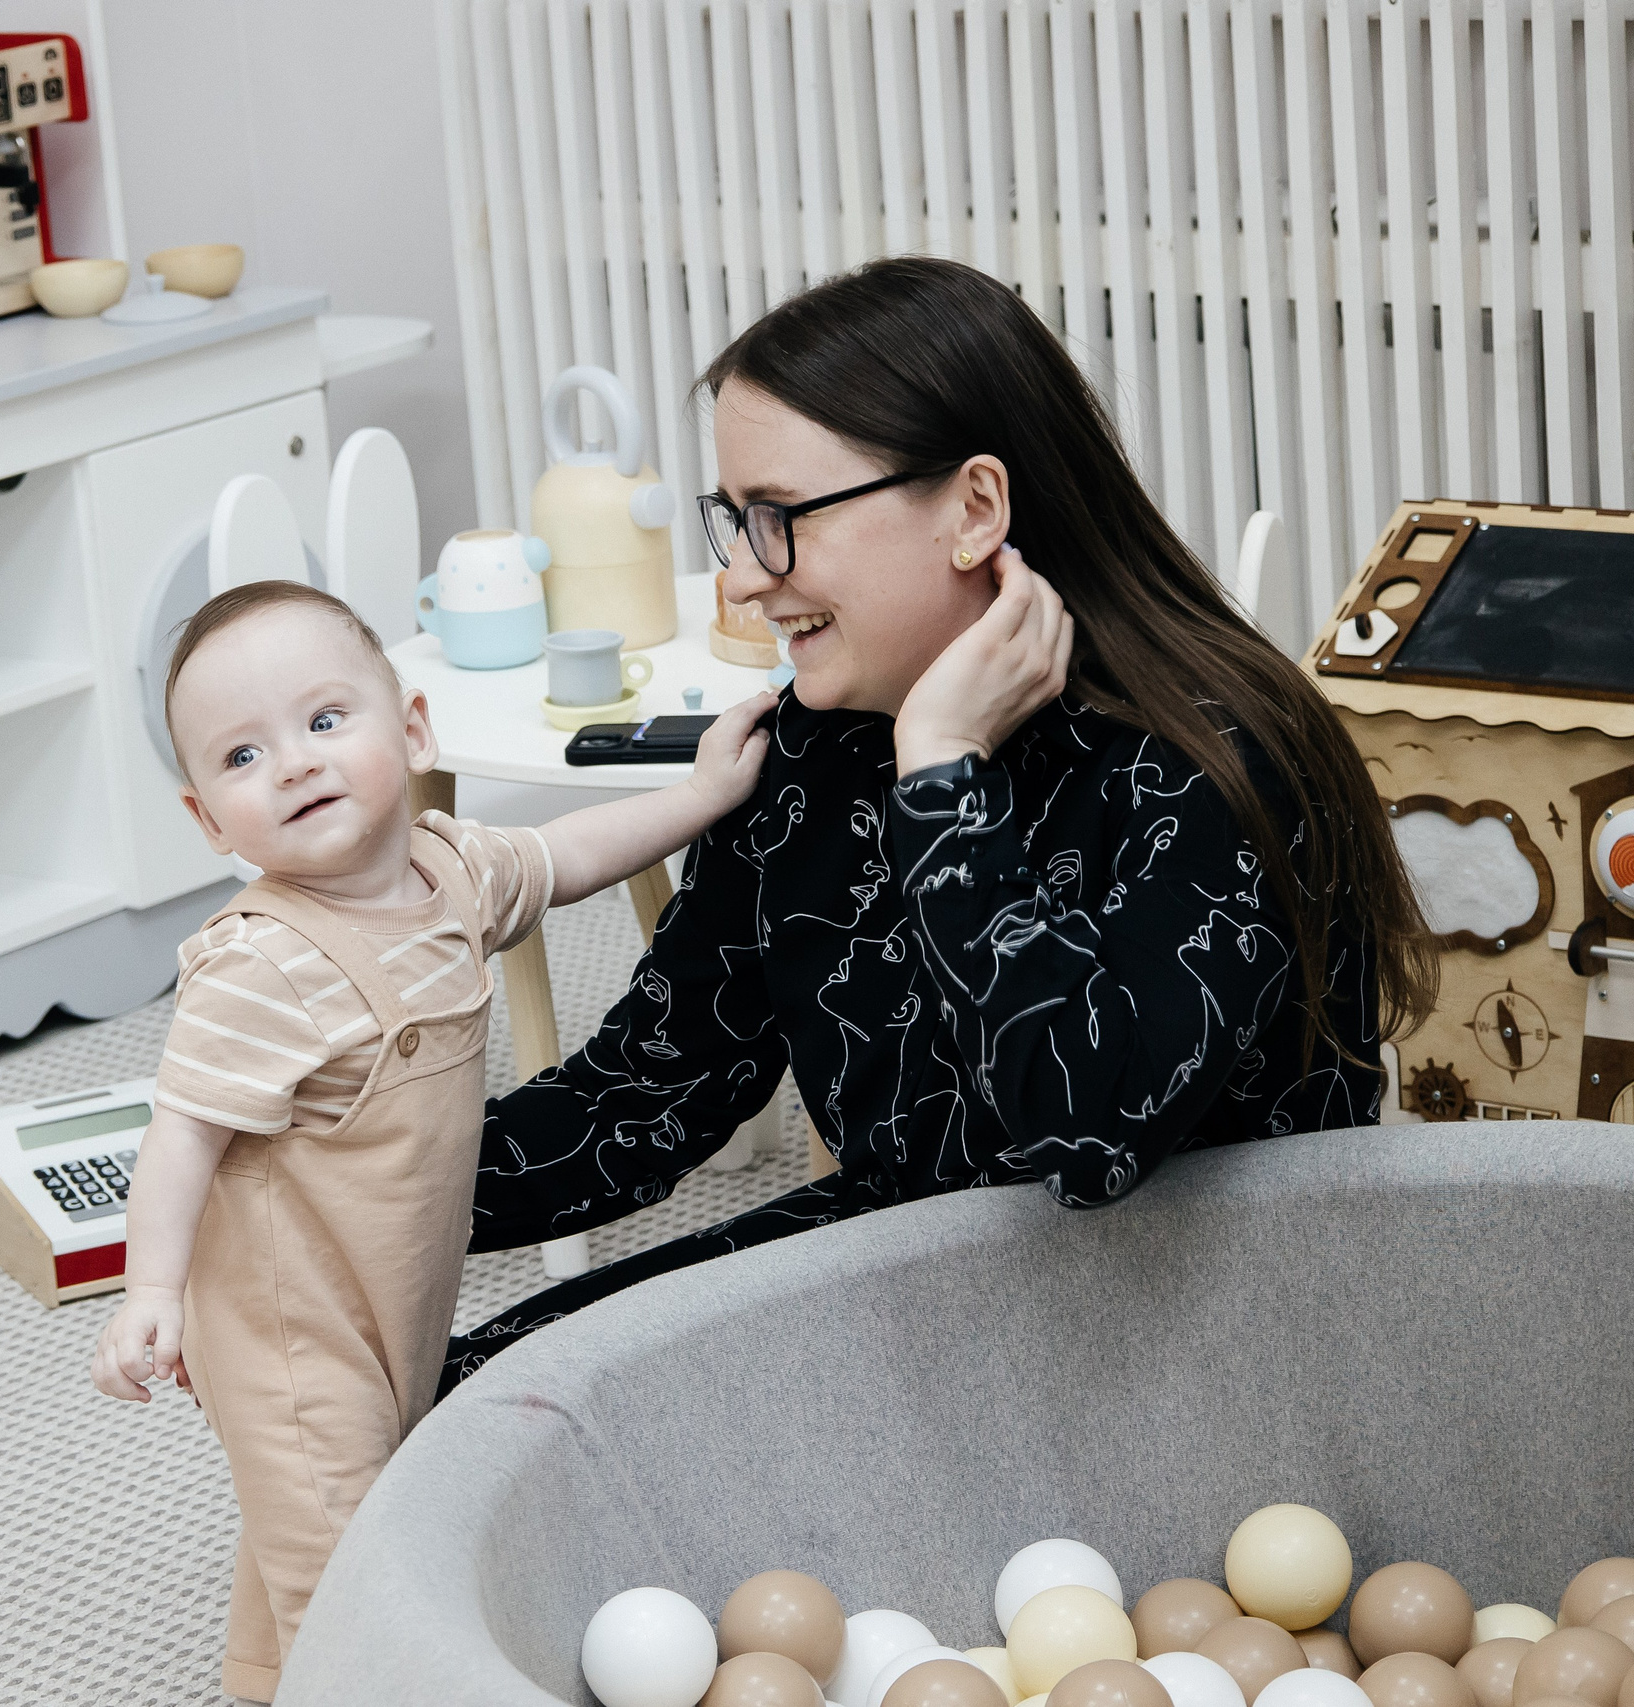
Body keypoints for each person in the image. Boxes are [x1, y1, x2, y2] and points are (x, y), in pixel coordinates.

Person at [444, 255, 1437, 1395]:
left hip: (1205, 1336)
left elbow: (1087, 1141)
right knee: (478, 1393)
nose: (739, 581)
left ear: (974, 510)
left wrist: (944, 779)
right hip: (925, 1265)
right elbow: (649, 1092)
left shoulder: (1221, 759)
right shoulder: (821, 738)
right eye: (736, 520)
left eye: (780, 519)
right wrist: (341, 1189)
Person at [85, 579, 774, 1702]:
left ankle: (265, 1683)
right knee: (354, 1563)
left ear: (410, 731)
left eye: (322, 721)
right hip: (285, 1331)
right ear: (208, 819)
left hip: (389, 1292)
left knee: (304, 1527)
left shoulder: (448, 873)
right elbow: (181, 1134)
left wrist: (700, 797)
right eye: (243, 757)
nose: (296, 763)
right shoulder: (256, 964)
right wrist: (147, 1289)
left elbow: (575, 855)